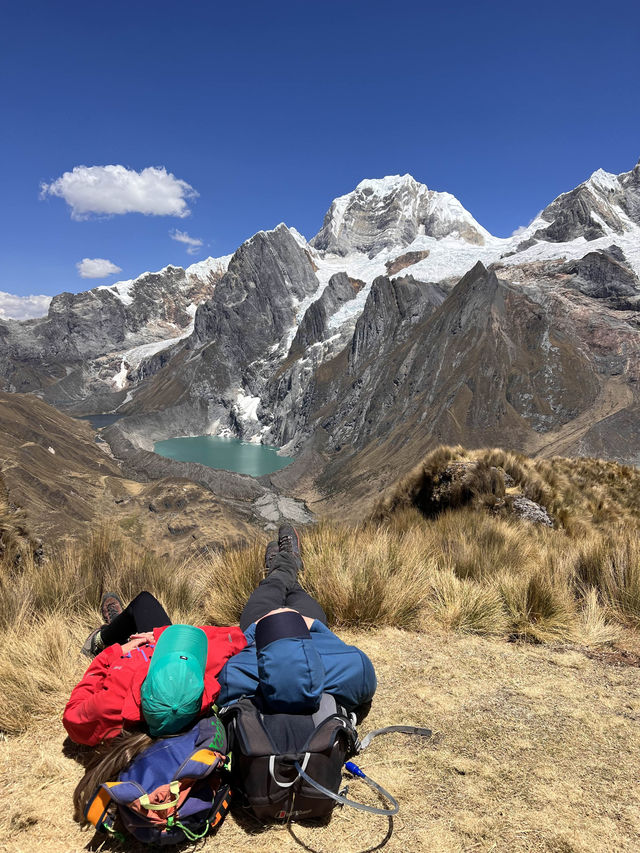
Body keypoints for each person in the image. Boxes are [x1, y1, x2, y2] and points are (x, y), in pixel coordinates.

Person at [217, 525, 377, 719]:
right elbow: (339, 646)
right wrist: (313, 625)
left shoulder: (233, 677)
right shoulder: (354, 669)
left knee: (272, 585)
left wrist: (259, 625)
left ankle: (280, 567)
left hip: (266, 629)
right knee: (296, 590)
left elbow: (236, 647)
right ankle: (288, 562)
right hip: (306, 630)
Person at [63, 592, 246, 746]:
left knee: (143, 601)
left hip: (129, 656)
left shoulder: (112, 699)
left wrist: (113, 653)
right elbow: (237, 638)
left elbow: (72, 718)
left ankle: (102, 638)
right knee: (144, 612)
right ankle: (118, 626)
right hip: (164, 663)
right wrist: (159, 634)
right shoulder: (195, 677)